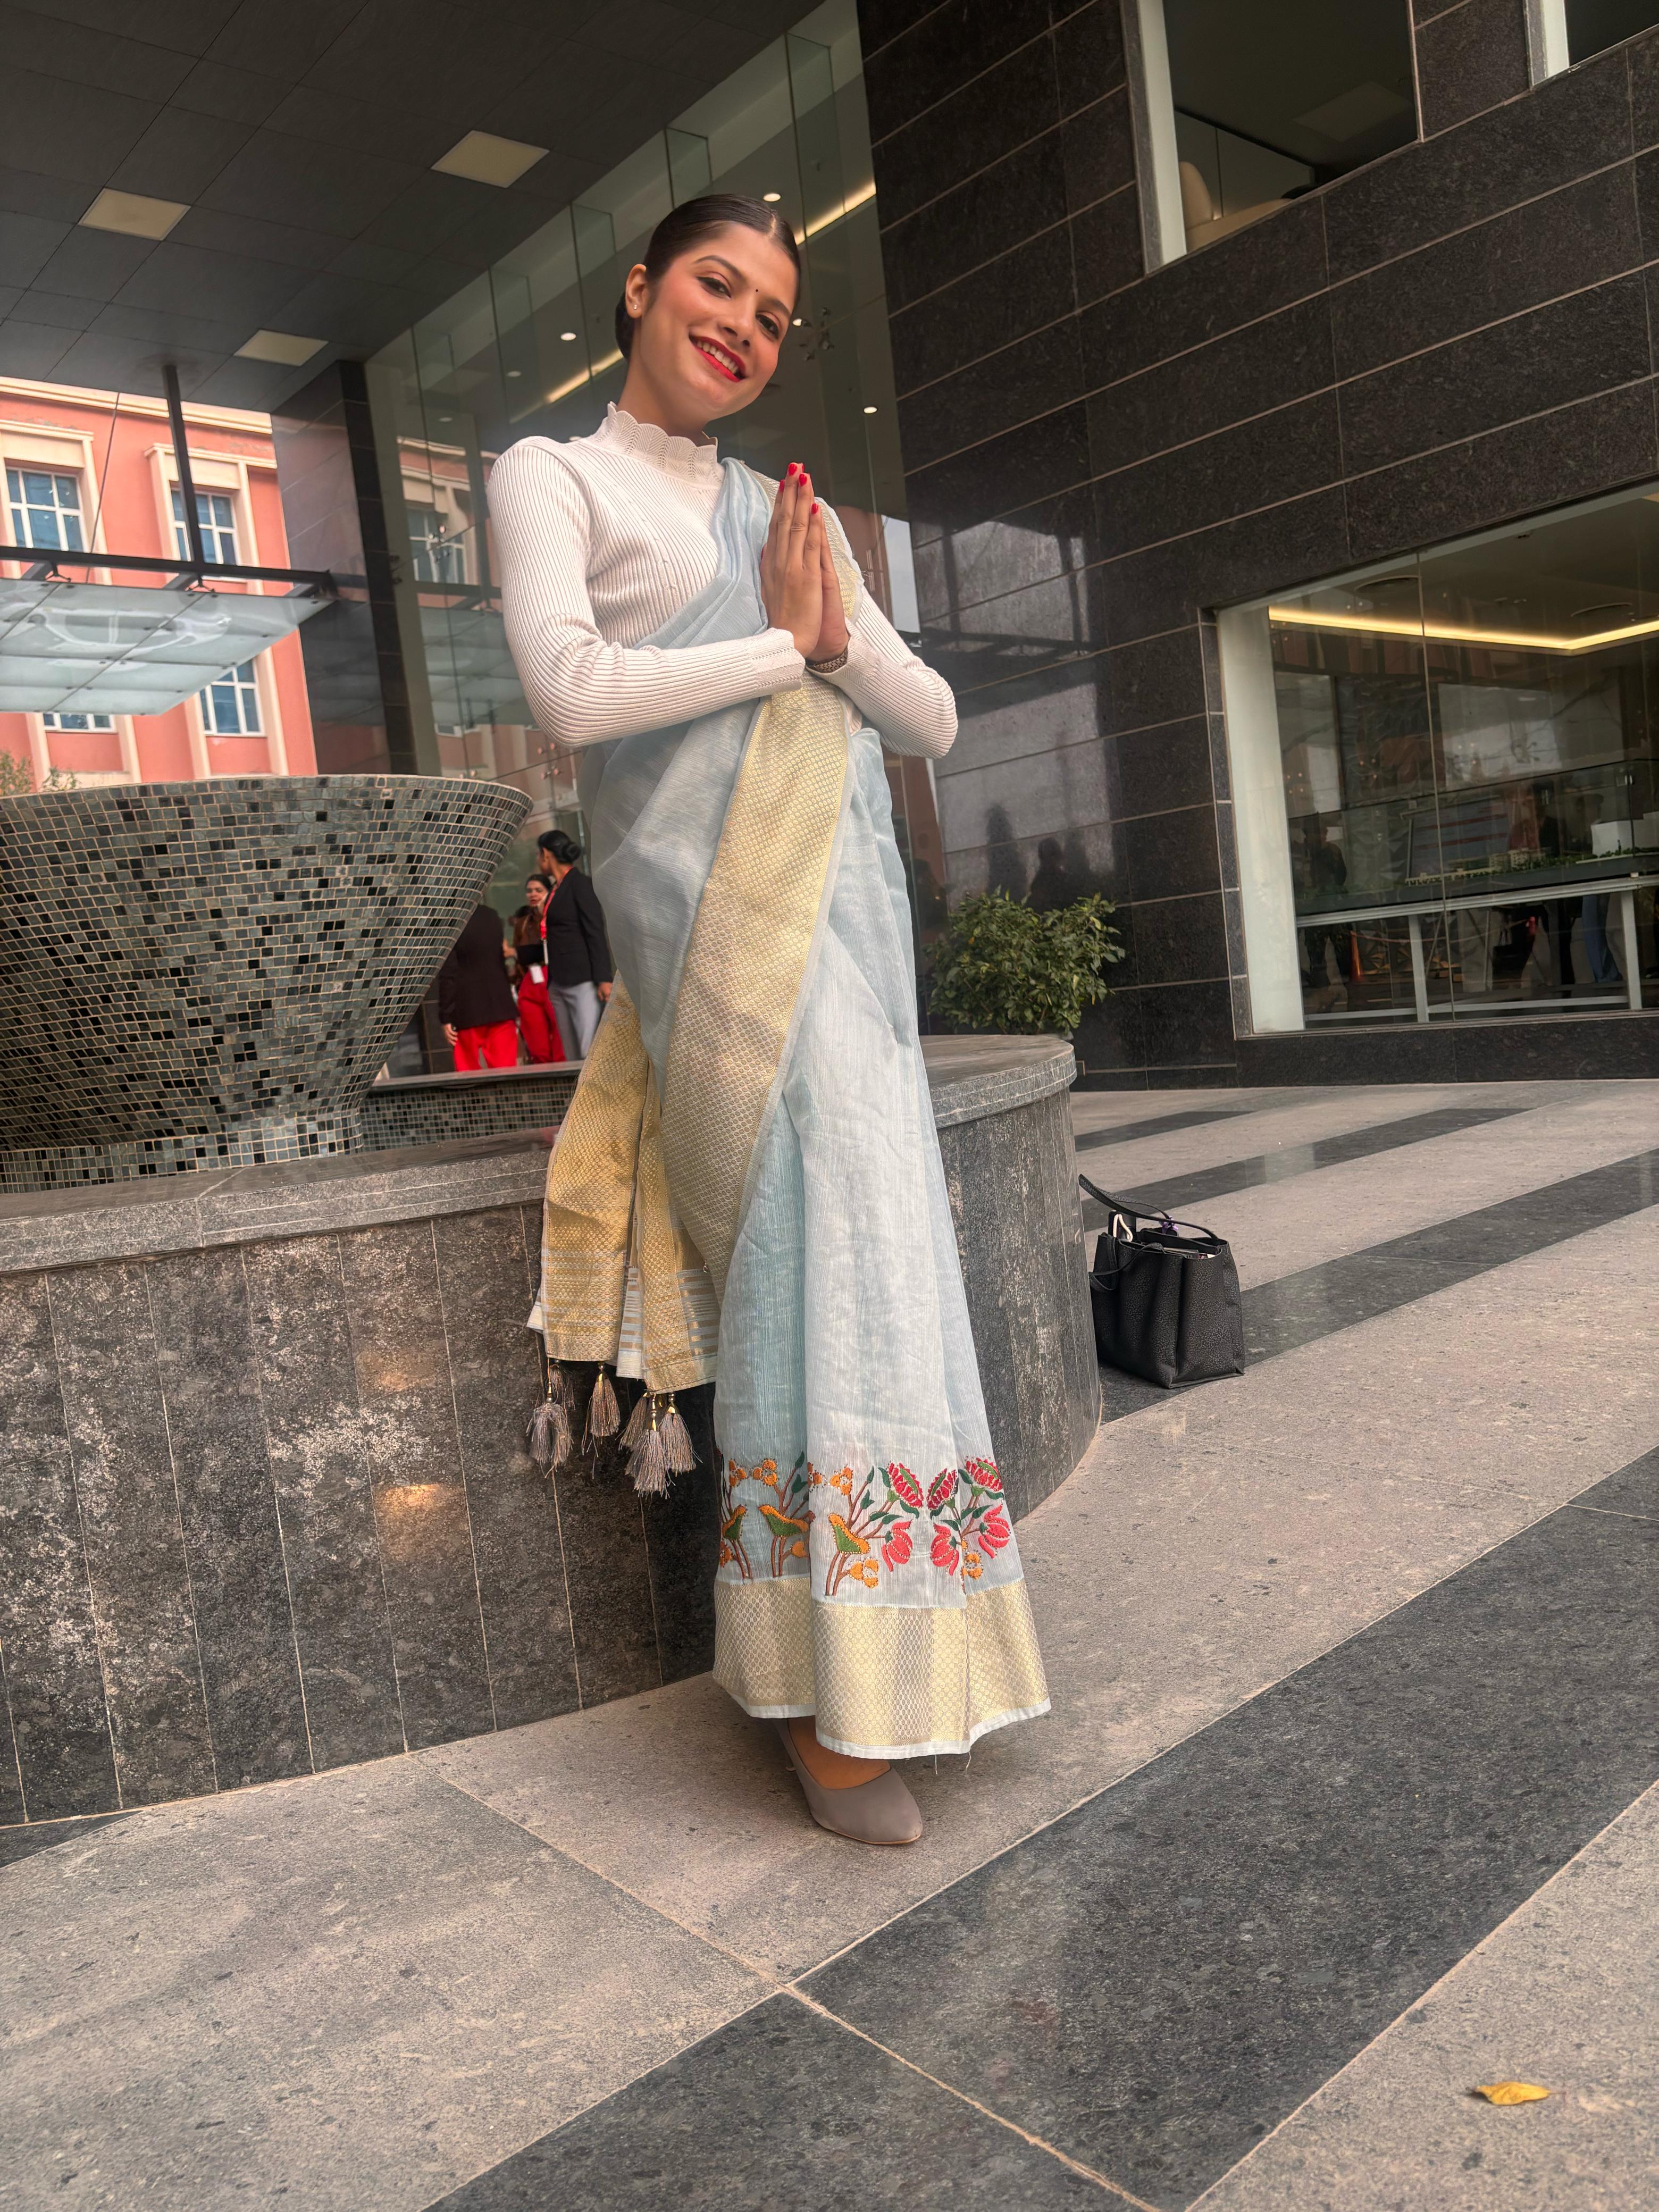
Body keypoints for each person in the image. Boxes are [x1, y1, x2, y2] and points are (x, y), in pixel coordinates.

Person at [491, 191, 1048, 1850]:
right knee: (808, 1276)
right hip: (714, 948)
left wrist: (832, 630)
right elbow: (572, 692)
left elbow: (929, 717)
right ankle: (816, 1698)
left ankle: (910, 1647)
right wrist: (781, 646)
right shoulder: (553, 477)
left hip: (846, 954)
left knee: (878, 1272)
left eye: (772, 313)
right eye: (715, 284)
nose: (740, 323)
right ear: (641, 289)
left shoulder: (784, 512)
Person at [534, 830, 612, 1060]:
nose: (538, 860)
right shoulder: (555, 890)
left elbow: (595, 931)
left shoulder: (580, 884)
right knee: (571, 1054)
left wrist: (604, 978)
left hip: (582, 978)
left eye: (539, 855)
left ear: (546, 854)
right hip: (558, 980)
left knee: (587, 1050)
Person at [438, 902, 519, 1069]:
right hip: (500, 1004)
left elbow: (449, 973)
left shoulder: (449, 921)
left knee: (468, 1071)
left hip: (466, 1008)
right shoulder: (492, 915)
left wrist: (446, 1016)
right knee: (506, 1071)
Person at [511, 876, 565, 1065]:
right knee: (536, 1041)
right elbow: (520, 955)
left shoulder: (556, 917)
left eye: (538, 890)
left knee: (561, 1036)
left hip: (554, 976)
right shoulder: (523, 922)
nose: (533, 894)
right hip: (531, 979)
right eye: (530, 891)